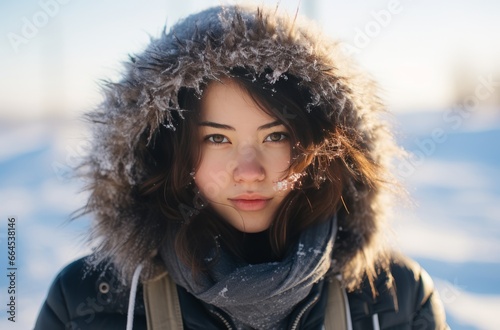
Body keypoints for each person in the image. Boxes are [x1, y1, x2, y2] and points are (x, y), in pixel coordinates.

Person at [34, 5, 449, 330]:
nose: (249, 171)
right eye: (218, 138)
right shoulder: (85, 301)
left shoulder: (397, 296)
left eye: (275, 136)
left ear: (321, 147)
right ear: (171, 153)